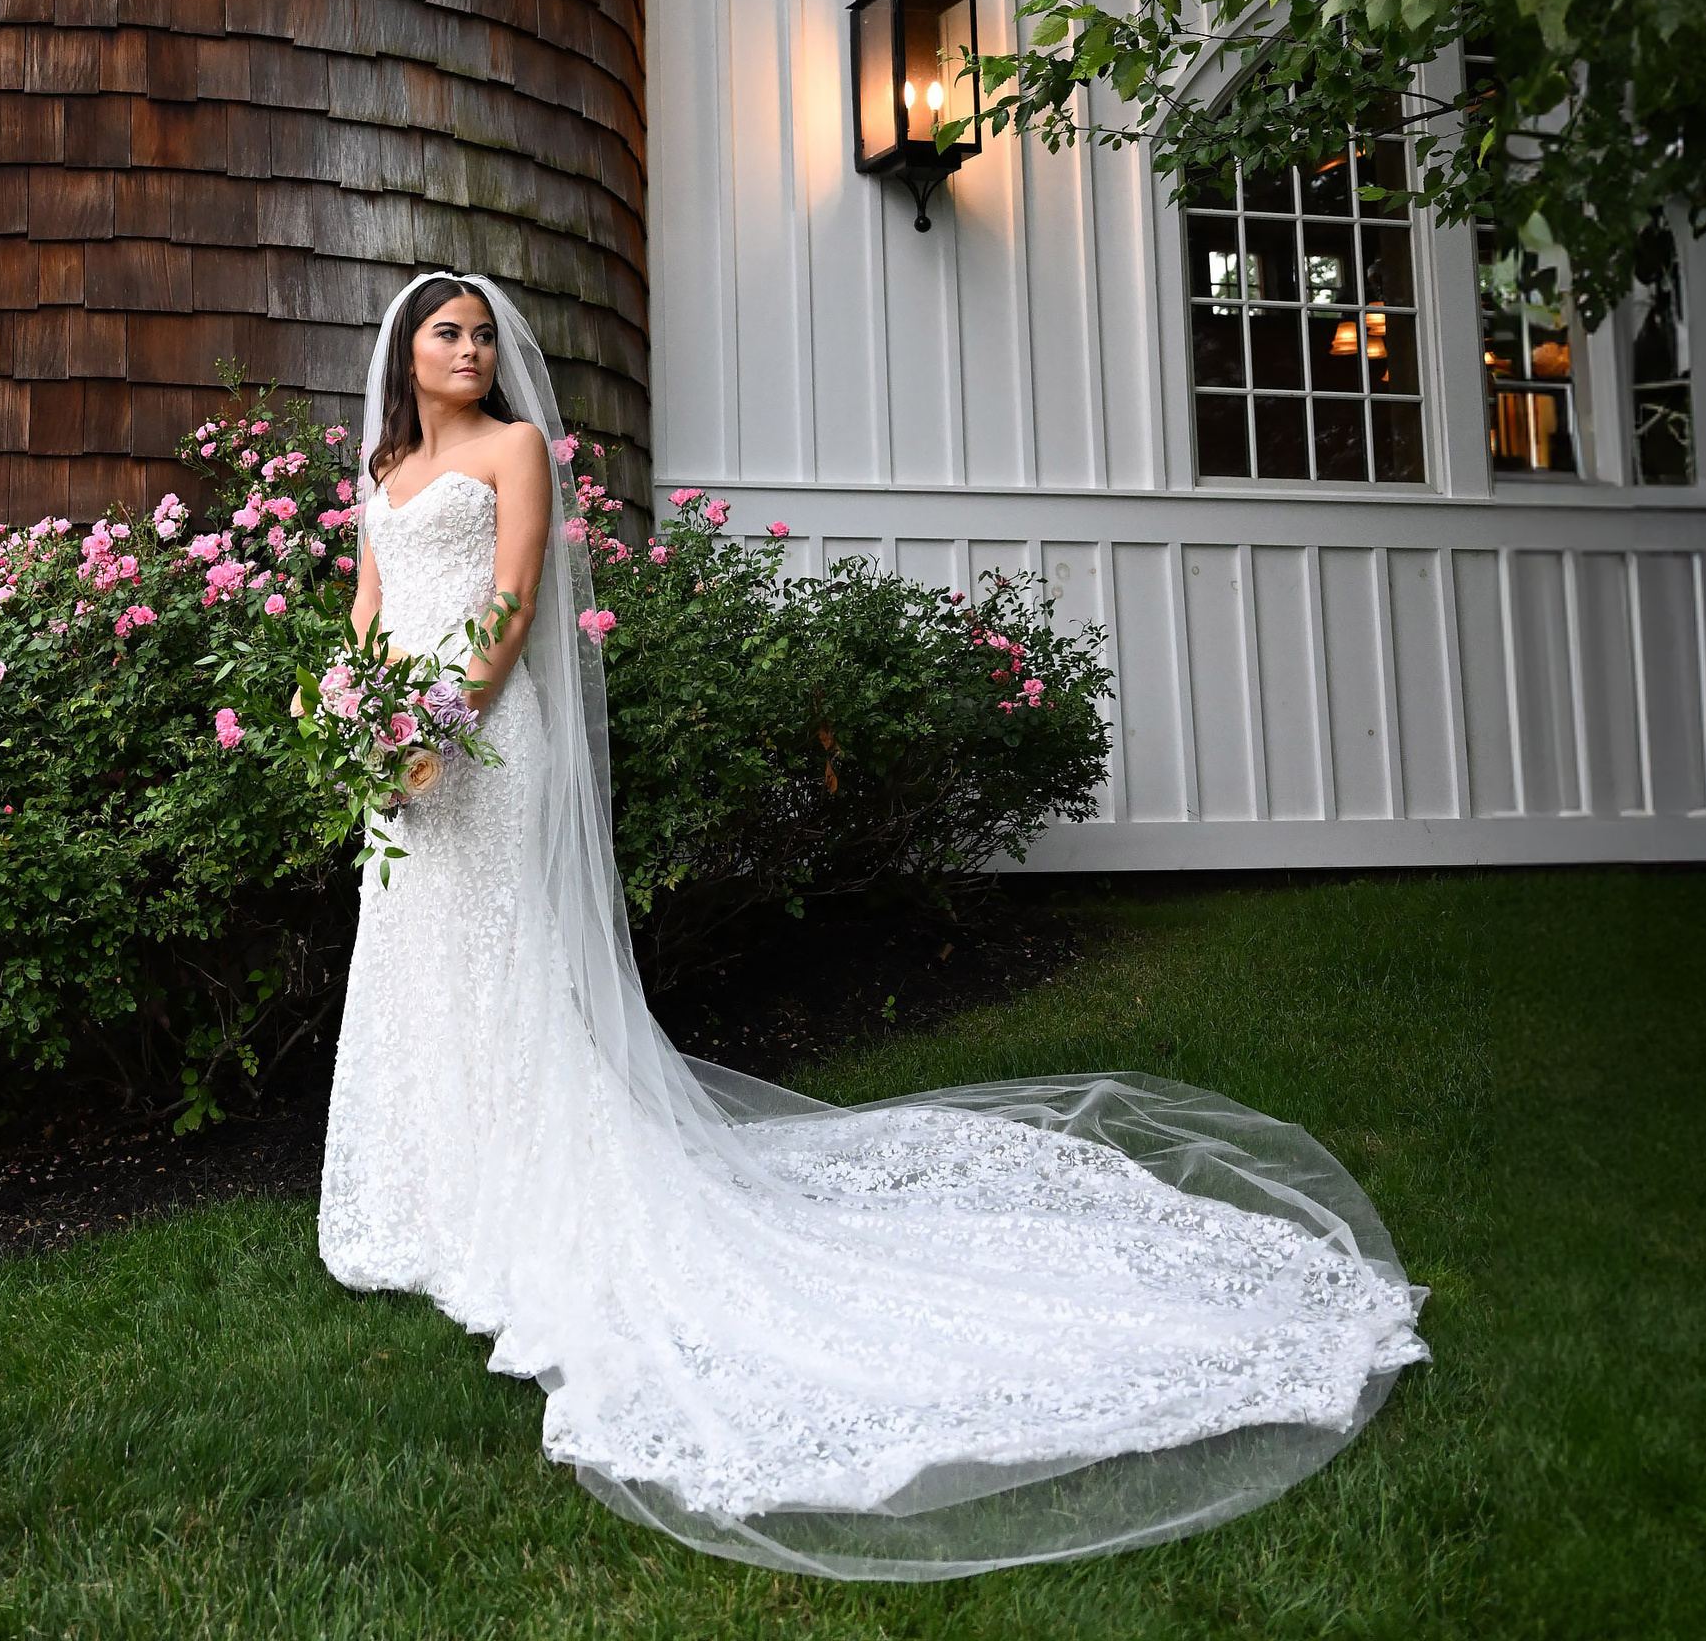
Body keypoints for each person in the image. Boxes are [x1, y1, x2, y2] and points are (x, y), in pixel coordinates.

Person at [318, 270, 1427, 1582]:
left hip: (489, 740)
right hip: (400, 749)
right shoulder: (385, 467)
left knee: (505, 969)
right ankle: (430, 1198)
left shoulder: (512, 450)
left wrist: (444, 720)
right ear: (406, 351)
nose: (466, 349)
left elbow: (508, 608)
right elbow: (368, 607)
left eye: (481, 334)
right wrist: (356, 714)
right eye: (444, 334)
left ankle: (530, 1197)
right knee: (422, 961)